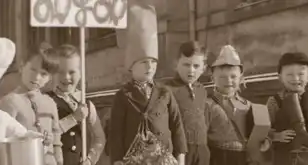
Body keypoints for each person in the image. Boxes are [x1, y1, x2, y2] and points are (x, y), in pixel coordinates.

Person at [108, 2, 187, 164]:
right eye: (144, 62)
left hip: (163, 158)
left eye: (153, 62)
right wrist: (116, 160)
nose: (150, 67)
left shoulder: (165, 92)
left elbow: (177, 126)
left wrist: (181, 156)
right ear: (131, 65)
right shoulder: (123, 95)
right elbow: (115, 132)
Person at [0, 46, 63, 165]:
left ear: (49, 78)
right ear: (22, 66)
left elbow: (57, 142)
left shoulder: (50, 103)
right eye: (33, 70)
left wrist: (52, 143)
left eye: (43, 74)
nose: (36, 77)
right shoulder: (10, 102)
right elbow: (1, 141)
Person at [205, 45, 271, 165]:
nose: (228, 81)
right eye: (222, 77)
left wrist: (264, 142)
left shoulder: (249, 106)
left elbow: (257, 135)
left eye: (233, 77)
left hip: (245, 159)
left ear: (241, 77)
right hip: (218, 158)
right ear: (213, 78)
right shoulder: (207, 105)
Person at [44, 44, 106, 165]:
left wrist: (90, 160)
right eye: (60, 72)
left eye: (72, 72)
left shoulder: (85, 103)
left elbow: (99, 138)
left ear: (81, 73)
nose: (66, 77)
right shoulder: (46, 101)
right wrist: (73, 119)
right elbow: (46, 134)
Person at [164, 41, 209, 165]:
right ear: (176, 65)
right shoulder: (167, 90)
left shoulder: (201, 90)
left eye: (196, 66)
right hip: (179, 151)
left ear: (203, 68)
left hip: (201, 150)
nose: (191, 70)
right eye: (186, 64)